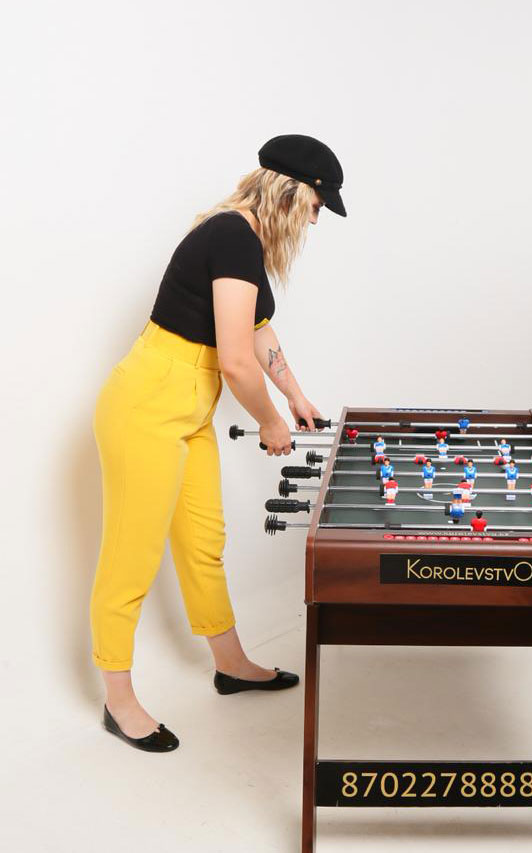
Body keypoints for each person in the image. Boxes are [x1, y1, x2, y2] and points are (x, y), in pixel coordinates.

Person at [91, 134, 346, 752]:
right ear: (292, 192)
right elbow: (234, 361)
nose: (316, 219)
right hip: (147, 409)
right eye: (317, 205)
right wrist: (270, 422)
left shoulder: (245, 239)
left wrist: (295, 396)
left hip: (189, 410)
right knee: (131, 557)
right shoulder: (232, 236)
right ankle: (118, 701)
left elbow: (258, 330)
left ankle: (230, 665)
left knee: (203, 544)